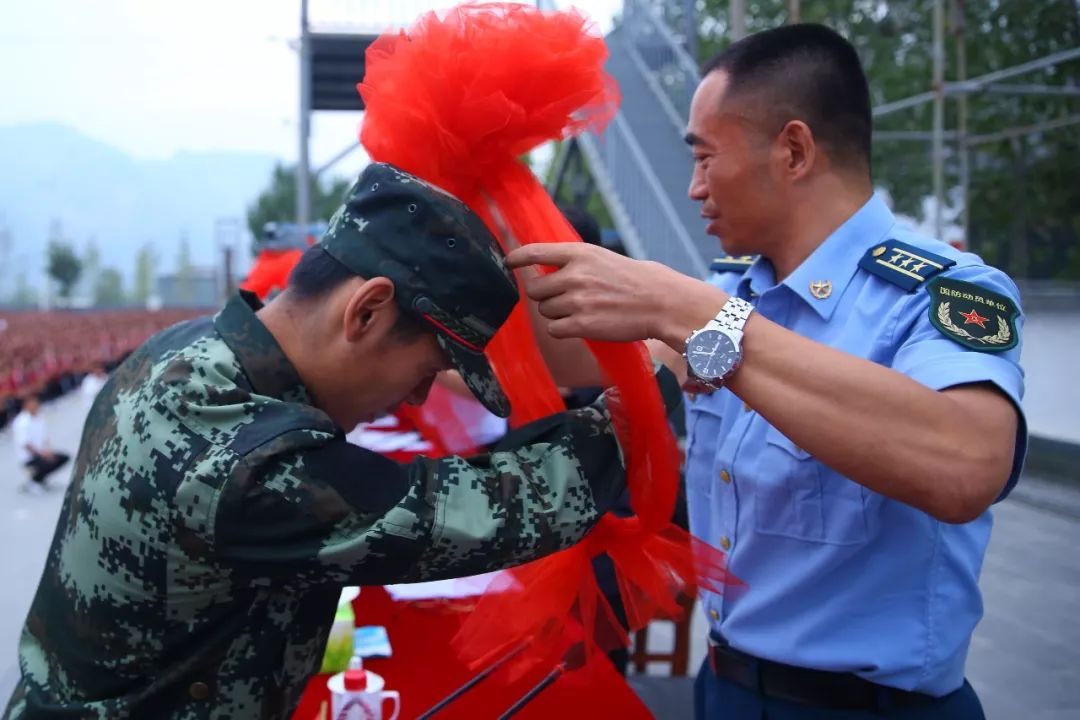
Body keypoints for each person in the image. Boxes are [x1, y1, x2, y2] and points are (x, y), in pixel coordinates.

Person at [3, 162, 681, 720]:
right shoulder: (246, 465)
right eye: (426, 369)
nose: (418, 397)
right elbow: (473, 511)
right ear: (365, 310)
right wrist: (653, 391)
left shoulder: (186, 352)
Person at [507, 24, 1025, 720]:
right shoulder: (731, 294)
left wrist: (698, 316)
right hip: (723, 687)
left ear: (793, 149)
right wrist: (504, 223)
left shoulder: (937, 293)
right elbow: (594, 364)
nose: (693, 189)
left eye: (705, 158)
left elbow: (966, 465)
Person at [11, 393, 69, 494]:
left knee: (64, 458)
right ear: (25, 405)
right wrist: (43, 455)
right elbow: (25, 444)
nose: (35, 404)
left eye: (36, 402)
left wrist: (49, 451)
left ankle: (40, 479)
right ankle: (34, 481)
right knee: (47, 462)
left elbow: (44, 438)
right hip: (29, 457)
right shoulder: (21, 422)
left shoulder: (39, 417)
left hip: (42, 453)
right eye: (32, 403)